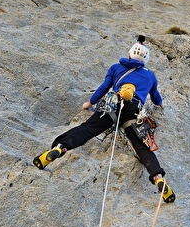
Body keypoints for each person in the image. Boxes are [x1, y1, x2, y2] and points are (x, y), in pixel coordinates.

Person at [33, 36, 175, 203]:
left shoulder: (116, 67)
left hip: (112, 106)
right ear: (145, 59)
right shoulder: (150, 76)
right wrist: (162, 105)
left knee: (88, 129)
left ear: (129, 54)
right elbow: (156, 98)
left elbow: (103, 88)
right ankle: (158, 177)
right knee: (140, 146)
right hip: (133, 110)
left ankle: (61, 147)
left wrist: (89, 103)